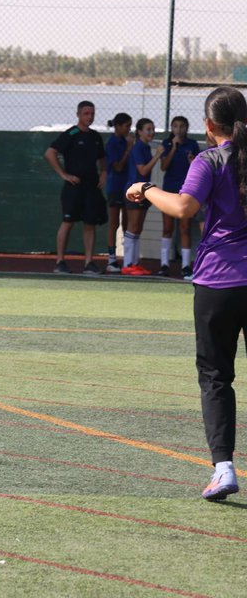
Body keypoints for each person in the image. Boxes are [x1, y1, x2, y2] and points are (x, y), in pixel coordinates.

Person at [125, 85, 247, 501]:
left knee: (216, 378)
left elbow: (182, 208)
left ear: (209, 125)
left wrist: (145, 189)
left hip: (218, 282)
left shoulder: (208, 160)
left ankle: (224, 469)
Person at [45, 100, 107, 274]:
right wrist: (64, 174)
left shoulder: (95, 137)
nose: (90, 117)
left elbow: (102, 160)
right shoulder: (71, 134)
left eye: (92, 113)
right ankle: (60, 261)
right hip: (74, 186)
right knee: (68, 222)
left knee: (90, 223)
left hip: (91, 187)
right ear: (78, 114)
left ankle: (88, 263)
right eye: (86, 113)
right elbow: (50, 153)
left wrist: (103, 173)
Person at [159, 116, 201, 279]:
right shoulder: (167, 144)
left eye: (182, 126)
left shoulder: (192, 145)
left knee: (185, 228)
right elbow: (164, 167)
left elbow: (197, 168)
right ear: (171, 128)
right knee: (168, 228)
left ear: (187, 128)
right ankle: (164, 264)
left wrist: (192, 162)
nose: (179, 129)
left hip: (185, 191)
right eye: (175, 126)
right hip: (169, 190)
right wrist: (174, 148)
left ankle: (185, 265)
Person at [123, 118, 165, 276]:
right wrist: (158, 155)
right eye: (148, 129)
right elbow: (142, 170)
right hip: (134, 191)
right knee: (132, 227)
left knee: (138, 228)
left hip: (143, 191)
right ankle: (127, 263)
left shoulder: (145, 148)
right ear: (139, 131)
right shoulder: (138, 148)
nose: (151, 132)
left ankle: (134, 263)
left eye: (153, 129)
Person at [103, 112, 133, 273]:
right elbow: (118, 167)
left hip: (127, 187)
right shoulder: (113, 143)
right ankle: (112, 259)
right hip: (115, 186)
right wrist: (128, 149)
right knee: (114, 223)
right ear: (118, 126)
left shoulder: (126, 141)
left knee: (127, 223)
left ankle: (128, 259)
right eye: (127, 126)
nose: (129, 129)